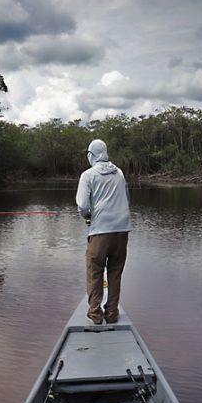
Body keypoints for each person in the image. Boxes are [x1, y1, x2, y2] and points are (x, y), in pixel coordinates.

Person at [76, 139, 131, 325]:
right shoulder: (120, 173)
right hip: (122, 231)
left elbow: (82, 206)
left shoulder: (87, 175)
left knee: (94, 270)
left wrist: (88, 216)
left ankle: (95, 313)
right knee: (115, 273)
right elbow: (127, 199)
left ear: (91, 155)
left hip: (100, 231)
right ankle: (112, 313)